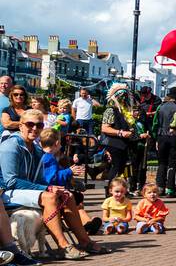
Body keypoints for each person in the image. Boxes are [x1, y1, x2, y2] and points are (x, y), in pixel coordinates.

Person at [0, 108, 102, 257]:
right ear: (21, 125)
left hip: (25, 191)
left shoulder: (36, 149)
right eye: (30, 124)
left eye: (39, 125)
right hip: (6, 194)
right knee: (50, 197)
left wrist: (54, 188)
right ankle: (62, 246)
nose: (34, 128)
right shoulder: (11, 147)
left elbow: (40, 178)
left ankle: (85, 241)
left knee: (67, 195)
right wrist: (47, 188)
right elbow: (11, 181)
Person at [99, 83, 141, 187]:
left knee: (124, 167)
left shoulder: (124, 111)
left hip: (125, 144)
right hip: (115, 144)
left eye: (126, 95)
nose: (124, 98)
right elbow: (104, 128)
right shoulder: (110, 110)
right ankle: (110, 191)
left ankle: (122, 190)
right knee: (116, 167)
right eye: (121, 96)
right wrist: (121, 132)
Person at [152, 87, 176, 198]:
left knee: (161, 163)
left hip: (161, 137)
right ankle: (170, 188)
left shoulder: (161, 107)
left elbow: (155, 124)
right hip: (174, 137)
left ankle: (160, 187)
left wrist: (156, 138)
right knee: (173, 163)